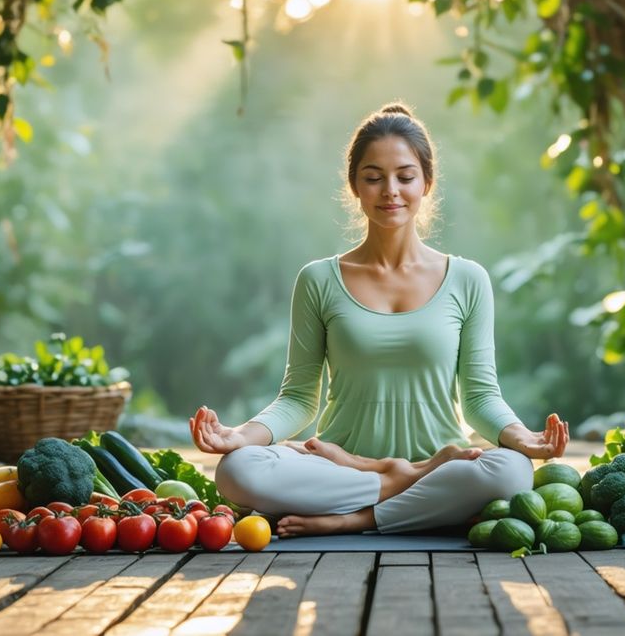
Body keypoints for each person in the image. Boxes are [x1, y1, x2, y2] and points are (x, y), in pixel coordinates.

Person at [189, 103, 569, 537]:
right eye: (373, 177)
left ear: (427, 182)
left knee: (512, 472)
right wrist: (240, 436)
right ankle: (400, 481)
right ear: (354, 185)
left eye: (405, 177)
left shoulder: (467, 279)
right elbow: (298, 398)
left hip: (443, 464)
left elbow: (480, 396)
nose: (390, 190)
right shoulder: (318, 279)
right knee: (238, 470)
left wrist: (522, 437)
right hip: (337, 463)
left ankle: (359, 517)